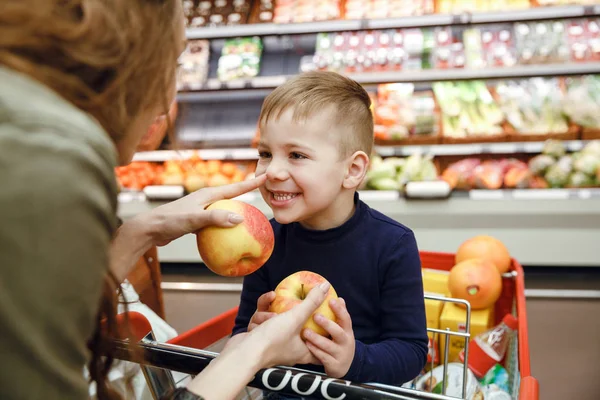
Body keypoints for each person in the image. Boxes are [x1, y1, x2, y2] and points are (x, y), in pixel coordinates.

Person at [0, 1, 331, 399]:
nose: (165, 103)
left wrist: (144, 230)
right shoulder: (53, 158)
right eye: (171, 63)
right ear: (122, 59)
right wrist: (252, 352)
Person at [233, 71, 429, 386]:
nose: (273, 171)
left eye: (296, 155)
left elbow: (411, 350)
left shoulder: (392, 244)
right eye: (266, 154)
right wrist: (253, 334)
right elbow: (242, 330)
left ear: (352, 170)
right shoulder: (263, 242)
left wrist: (354, 359)